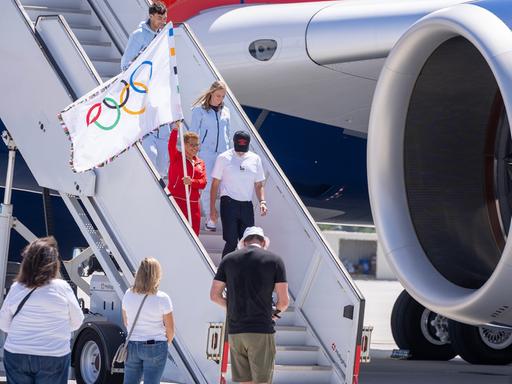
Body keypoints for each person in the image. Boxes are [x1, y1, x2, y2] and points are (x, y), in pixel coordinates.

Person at [0, 237, 84, 384]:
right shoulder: (62, 287)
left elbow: (4, 324)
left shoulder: (17, 288)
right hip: (53, 355)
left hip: (18, 353)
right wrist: (58, 328)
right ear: (54, 264)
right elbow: (77, 321)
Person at [210, 226, 288, 384]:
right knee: (262, 381)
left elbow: (214, 296)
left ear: (243, 243)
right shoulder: (275, 261)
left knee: (244, 381)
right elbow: (284, 301)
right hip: (261, 330)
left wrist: (232, 307)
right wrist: (274, 315)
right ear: (263, 242)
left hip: (236, 330)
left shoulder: (228, 260)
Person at [121, 1, 170, 178]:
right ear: (150, 16)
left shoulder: (162, 35)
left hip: (158, 90)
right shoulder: (138, 35)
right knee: (148, 138)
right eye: (159, 18)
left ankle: (162, 175)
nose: (162, 22)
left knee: (164, 137)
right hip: (142, 91)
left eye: (164, 19)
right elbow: (125, 64)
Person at [210, 130, 267, 256]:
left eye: (244, 147)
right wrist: (212, 208)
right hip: (229, 203)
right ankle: (224, 272)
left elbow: (258, 184)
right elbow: (215, 184)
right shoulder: (223, 158)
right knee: (231, 241)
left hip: (246, 205)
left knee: (249, 242)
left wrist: (262, 201)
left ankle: (246, 273)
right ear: (234, 142)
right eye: (239, 147)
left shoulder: (255, 159)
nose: (241, 150)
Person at [122, 257, 175, 384]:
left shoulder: (128, 294)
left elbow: (126, 321)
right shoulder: (163, 298)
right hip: (155, 345)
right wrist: (164, 343)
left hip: (132, 344)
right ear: (157, 275)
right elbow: (170, 330)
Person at [189, 81, 231, 231]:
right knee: (207, 186)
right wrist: (192, 153)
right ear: (211, 93)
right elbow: (193, 133)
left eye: (223, 96)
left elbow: (228, 133)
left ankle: (222, 215)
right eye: (218, 95)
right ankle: (210, 217)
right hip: (207, 152)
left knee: (224, 185)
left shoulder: (225, 111)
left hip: (224, 153)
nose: (220, 99)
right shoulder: (199, 111)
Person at [167, 122, 207, 235]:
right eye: (192, 144)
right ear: (184, 145)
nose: (195, 148)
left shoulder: (200, 162)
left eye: (197, 145)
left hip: (194, 204)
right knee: (175, 233)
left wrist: (192, 182)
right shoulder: (176, 156)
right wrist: (175, 130)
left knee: (194, 234)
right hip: (177, 201)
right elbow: (171, 144)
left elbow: (203, 182)